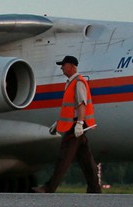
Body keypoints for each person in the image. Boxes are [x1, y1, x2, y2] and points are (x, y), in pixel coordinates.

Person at [35, 56, 100, 193]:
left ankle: (49, 187)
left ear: (71, 66)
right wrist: (58, 123)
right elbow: (69, 109)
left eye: (63, 65)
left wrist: (79, 124)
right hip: (75, 125)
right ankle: (95, 189)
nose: (61, 68)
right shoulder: (71, 83)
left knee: (64, 157)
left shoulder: (78, 82)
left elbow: (81, 105)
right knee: (86, 159)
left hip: (76, 126)